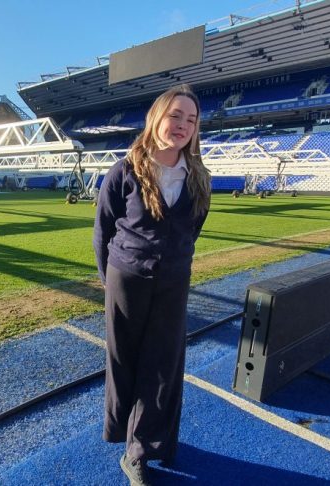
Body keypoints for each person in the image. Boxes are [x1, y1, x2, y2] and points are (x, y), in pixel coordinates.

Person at [93, 84, 212, 486]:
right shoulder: (124, 170)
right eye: (175, 115)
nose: (182, 125)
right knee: (124, 362)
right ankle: (124, 433)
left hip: (173, 282)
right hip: (126, 279)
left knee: (163, 365)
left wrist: (173, 261)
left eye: (191, 120)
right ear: (157, 118)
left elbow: (191, 229)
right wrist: (110, 279)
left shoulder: (199, 177)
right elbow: (103, 230)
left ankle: (141, 449)